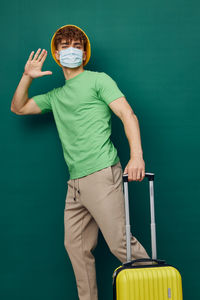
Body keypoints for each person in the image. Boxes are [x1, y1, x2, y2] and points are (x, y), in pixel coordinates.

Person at [10, 24, 151, 300]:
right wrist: (27, 77)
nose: (72, 50)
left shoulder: (99, 80)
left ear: (84, 52)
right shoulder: (56, 97)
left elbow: (128, 114)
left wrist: (136, 156)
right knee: (75, 248)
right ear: (57, 53)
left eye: (77, 45)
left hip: (101, 174)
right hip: (74, 184)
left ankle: (155, 292)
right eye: (65, 46)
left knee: (120, 243)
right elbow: (19, 107)